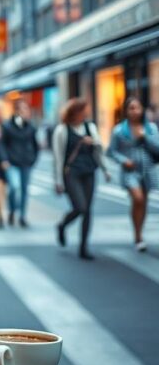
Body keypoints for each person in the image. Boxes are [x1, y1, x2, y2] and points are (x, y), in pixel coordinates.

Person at [52, 98, 108, 260]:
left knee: (88, 210)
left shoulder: (90, 127)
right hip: (71, 174)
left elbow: (99, 148)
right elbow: (58, 157)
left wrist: (105, 169)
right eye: (83, 110)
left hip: (89, 171)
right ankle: (62, 225)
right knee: (80, 207)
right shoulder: (62, 130)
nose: (86, 113)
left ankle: (84, 247)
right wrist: (58, 181)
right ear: (75, 112)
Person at [106, 97, 159, 252]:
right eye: (131, 108)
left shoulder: (151, 128)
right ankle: (137, 235)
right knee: (137, 198)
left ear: (142, 109)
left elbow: (157, 148)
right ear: (126, 111)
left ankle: (139, 233)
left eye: (137, 107)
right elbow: (111, 152)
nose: (134, 111)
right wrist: (124, 160)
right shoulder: (119, 130)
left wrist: (145, 138)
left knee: (143, 203)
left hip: (148, 170)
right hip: (130, 171)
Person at [2, 98, 39, 227]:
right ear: (17, 110)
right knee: (14, 187)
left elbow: (35, 145)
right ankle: (12, 210)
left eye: (26, 109)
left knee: (24, 190)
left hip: (26, 162)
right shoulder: (7, 126)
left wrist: (33, 158)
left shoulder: (30, 126)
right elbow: (3, 144)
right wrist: (5, 159)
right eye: (22, 109)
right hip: (12, 162)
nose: (25, 111)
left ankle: (22, 216)